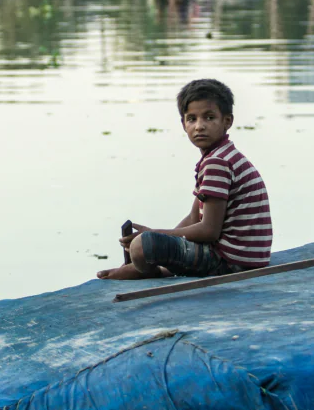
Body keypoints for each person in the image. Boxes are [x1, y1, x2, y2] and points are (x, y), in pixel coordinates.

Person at [98, 79, 272, 280]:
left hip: (231, 263)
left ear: (227, 121)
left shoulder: (217, 162)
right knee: (149, 243)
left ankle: (148, 271)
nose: (199, 126)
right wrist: (161, 237)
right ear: (183, 124)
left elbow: (209, 231)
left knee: (142, 246)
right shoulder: (221, 156)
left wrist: (154, 235)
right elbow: (193, 218)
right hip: (245, 259)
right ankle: (154, 268)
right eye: (192, 119)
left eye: (209, 117)